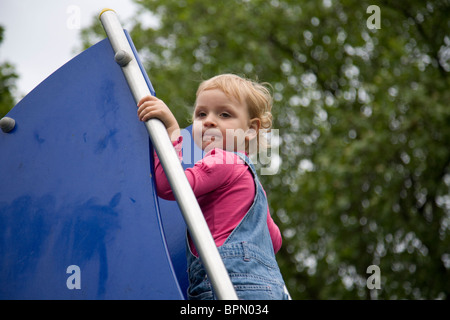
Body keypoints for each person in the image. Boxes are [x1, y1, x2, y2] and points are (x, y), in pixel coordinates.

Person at [137, 74, 289, 300]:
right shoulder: (252, 182)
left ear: (250, 129)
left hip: (229, 284)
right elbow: (274, 239)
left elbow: (169, 185)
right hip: (269, 289)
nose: (208, 120)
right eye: (201, 114)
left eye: (224, 114)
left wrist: (171, 132)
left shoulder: (222, 160)